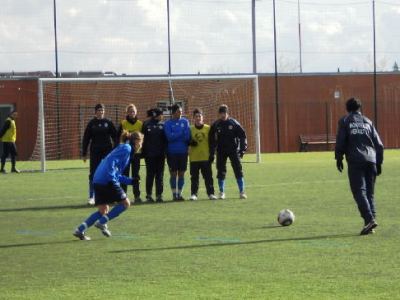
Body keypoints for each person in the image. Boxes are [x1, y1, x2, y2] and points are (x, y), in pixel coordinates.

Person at [73, 131, 144, 240]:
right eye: (141, 142)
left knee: (103, 210)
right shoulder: (126, 148)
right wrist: (111, 179)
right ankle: (102, 222)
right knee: (125, 203)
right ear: (136, 141)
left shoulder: (125, 149)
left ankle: (80, 230)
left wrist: (131, 181)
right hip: (106, 179)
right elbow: (111, 162)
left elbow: (116, 173)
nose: (141, 145)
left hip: (98, 179)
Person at [335, 97, 384, 235]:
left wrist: (338, 158)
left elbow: (341, 141)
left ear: (347, 108)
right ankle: (370, 223)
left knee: (359, 191)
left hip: (356, 160)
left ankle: (369, 219)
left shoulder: (345, 121)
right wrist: (379, 162)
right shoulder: (369, 122)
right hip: (372, 160)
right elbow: (379, 145)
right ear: (359, 108)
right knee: (370, 193)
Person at [209, 104, 247, 199]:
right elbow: (211, 139)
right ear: (219, 114)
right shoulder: (216, 125)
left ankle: (242, 192)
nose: (223, 115)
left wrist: (242, 149)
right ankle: (221, 192)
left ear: (227, 113)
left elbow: (242, 135)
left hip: (233, 150)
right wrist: (212, 152)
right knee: (221, 171)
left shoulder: (233, 123)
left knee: (238, 169)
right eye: (221, 113)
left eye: (224, 113)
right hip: (221, 151)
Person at [82, 104, 117, 206]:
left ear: (104, 111)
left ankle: (110, 196)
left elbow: (115, 137)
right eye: (98, 110)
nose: (100, 112)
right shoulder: (91, 123)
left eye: (102, 110)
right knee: (93, 173)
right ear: (95, 112)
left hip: (107, 152)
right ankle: (92, 197)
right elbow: (86, 139)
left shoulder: (108, 122)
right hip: (95, 151)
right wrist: (84, 153)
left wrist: (115, 150)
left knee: (109, 172)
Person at [164, 104, 191, 201]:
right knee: (173, 174)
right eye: (179, 111)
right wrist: (181, 133)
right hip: (171, 152)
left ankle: (179, 194)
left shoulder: (185, 121)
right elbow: (169, 138)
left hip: (183, 152)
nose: (181, 113)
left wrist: (175, 134)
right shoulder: (167, 123)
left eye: (181, 111)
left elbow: (187, 137)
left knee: (182, 173)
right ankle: (174, 194)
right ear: (174, 113)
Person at [189, 108, 217, 200]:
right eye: (196, 116)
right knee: (194, 178)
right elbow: (186, 140)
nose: (198, 118)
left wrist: (212, 154)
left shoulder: (208, 128)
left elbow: (213, 142)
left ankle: (211, 194)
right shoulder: (190, 129)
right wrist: (190, 142)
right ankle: (194, 194)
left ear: (202, 117)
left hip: (206, 157)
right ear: (193, 118)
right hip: (194, 158)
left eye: (199, 116)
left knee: (208, 177)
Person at [117, 104, 143, 204]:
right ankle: (123, 196)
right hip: (125, 154)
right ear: (127, 112)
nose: (132, 113)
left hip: (136, 153)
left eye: (133, 111)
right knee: (124, 174)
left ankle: (137, 196)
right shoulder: (123, 123)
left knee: (136, 174)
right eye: (130, 111)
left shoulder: (140, 124)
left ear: (136, 112)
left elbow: (143, 139)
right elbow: (118, 138)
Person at [141, 108, 167, 203]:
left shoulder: (163, 124)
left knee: (159, 175)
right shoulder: (146, 124)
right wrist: (143, 152)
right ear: (156, 115)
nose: (162, 116)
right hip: (149, 155)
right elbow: (142, 139)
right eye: (161, 114)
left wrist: (165, 152)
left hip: (160, 155)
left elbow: (166, 140)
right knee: (150, 175)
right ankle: (149, 195)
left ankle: (159, 195)